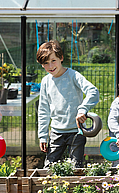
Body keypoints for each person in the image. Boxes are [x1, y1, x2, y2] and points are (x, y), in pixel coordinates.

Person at [37, 40, 99, 168]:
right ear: (42, 65)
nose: (50, 66)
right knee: (49, 168)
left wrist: (82, 110)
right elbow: (43, 110)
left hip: (76, 131)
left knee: (76, 168)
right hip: (55, 132)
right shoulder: (45, 82)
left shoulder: (73, 76)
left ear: (61, 58)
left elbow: (93, 91)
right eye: (46, 63)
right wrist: (42, 136)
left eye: (53, 60)